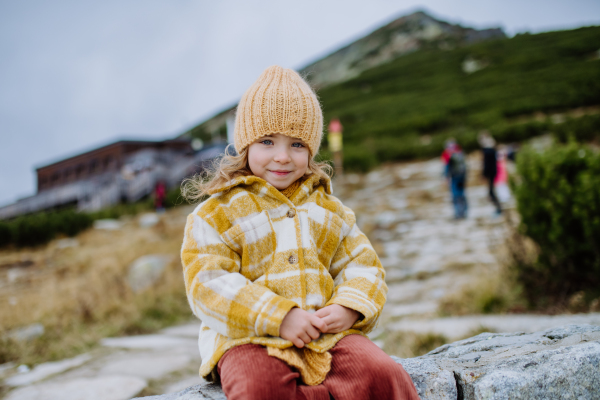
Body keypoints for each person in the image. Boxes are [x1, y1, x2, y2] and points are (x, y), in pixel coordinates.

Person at [180, 66, 419, 400]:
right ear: (244, 144)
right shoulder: (216, 213)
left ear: (311, 150)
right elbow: (207, 282)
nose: (282, 156)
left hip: (326, 336)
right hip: (248, 338)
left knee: (385, 376)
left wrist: (349, 307)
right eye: (267, 141)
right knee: (259, 389)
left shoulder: (330, 210)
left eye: (296, 144)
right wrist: (279, 316)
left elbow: (364, 266)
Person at [442, 139, 468, 219]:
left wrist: (446, 177)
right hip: (462, 176)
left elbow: (446, 168)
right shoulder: (460, 153)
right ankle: (464, 212)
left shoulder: (448, 155)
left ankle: (458, 214)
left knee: (455, 196)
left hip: (454, 177)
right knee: (462, 194)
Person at [478, 132, 502, 215]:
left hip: (490, 172)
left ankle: (498, 209)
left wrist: (484, 174)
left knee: (491, 192)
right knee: (492, 191)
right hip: (494, 171)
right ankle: (498, 208)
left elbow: (486, 164)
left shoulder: (486, 151)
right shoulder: (493, 148)